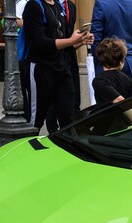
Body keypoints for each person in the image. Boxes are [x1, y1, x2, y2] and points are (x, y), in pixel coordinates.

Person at [22, 0, 93, 134]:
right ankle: (26, 149)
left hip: (61, 68)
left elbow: (64, 41)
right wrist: (71, 41)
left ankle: (65, 149)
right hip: (41, 68)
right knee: (36, 118)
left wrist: (80, 41)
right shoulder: (34, 5)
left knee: (68, 116)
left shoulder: (59, 6)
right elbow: (39, 42)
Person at [45, 0, 82, 133]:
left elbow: (68, 36)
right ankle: (53, 133)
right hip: (54, 60)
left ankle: (71, 132)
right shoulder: (47, 5)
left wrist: (80, 40)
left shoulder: (71, 6)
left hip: (69, 59)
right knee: (52, 105)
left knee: (73, 99)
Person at [90, 0, 132, 83]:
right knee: (130, 95)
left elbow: (95, 39)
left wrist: (99, 61)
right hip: (130, 62)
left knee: (107, 95)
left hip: (106, 63)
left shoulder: (101, 4)